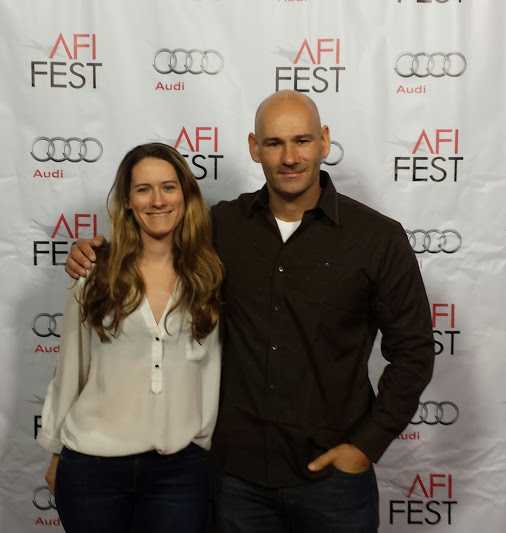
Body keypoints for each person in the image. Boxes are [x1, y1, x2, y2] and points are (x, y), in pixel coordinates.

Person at [65, 91, 435, 533]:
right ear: (254, 148)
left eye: (301, 140)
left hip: (334, 482)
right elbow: (150, 235)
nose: (290, 156)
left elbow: (413, 353)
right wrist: (93, 252)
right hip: (236, 482)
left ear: (324, 141)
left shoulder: (378, 238)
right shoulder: (219, 227)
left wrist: (365, 447)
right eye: (275, 143)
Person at [38, 142, 224, 533]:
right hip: (90, 467)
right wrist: (56, 452)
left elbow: (212, 369)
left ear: (186, 194)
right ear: (126, 200)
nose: (157, 201)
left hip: (179, 472)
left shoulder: (209, 274)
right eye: (143, 189)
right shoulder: (93, 271)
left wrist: (200, 446)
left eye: (169, 187)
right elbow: (71, 366)